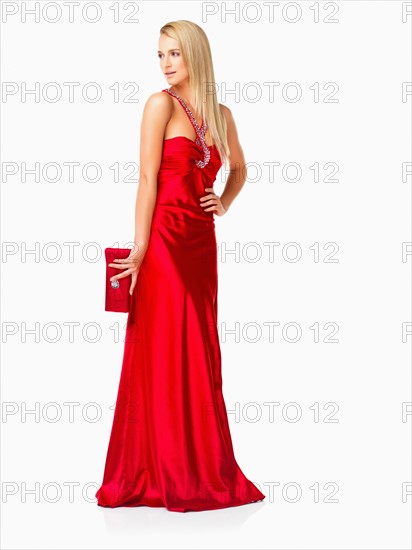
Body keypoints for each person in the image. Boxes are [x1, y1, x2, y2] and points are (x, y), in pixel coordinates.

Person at [95, 19, 266, 513]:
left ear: (196, 56)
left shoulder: (223, 115)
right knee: (168, 342)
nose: (166, 64)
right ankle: (160, 467)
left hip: (200, 244)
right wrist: (140, 248)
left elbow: (240, 168)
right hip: (165, 243)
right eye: (160, 55)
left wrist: (225, 201)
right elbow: (147, 179)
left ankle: (200, 465)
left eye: (174, 54)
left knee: (200, 343)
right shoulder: (159, 105)